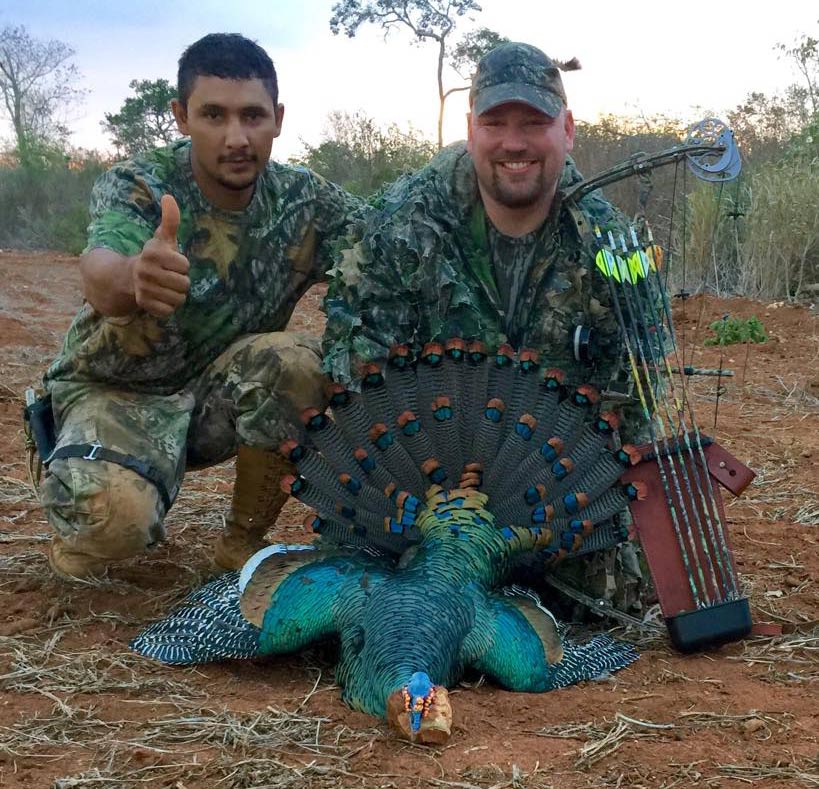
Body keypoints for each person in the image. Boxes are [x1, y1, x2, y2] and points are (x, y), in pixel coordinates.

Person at [322, 42, 649, 614]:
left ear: (567, 131)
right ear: (470, 130)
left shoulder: (610, 242)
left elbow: (637, 404)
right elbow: (360, 375)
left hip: (545, 494)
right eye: (495, 123)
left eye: (535, 123)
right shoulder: (400, 223)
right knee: (370, 590)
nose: (514, 142)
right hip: (423, 484)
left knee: (606, 599)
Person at [39, 33, 365, 579]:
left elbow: (392, 245)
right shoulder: (139, 183)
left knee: (301, 362)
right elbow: (99, 273)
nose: (236, 137)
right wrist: (133, 276)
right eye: (213, 115)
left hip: (215, 400)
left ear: (278, 119)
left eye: (253, 116)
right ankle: (66, 456)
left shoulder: (309, 201)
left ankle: (241, 544)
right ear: (181, 116)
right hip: (116, 391)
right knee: (109, 531)